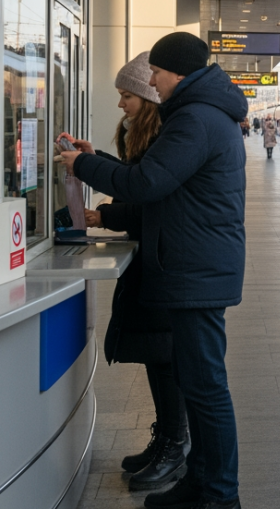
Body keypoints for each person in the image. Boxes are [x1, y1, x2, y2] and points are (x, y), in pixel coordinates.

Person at [59, 32, 247, 509]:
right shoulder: (198, 114)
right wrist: (94, 159)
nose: (154, 82)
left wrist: (82, 166)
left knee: (206, 388)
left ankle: (220, 497)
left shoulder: (195, 119)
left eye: (157, 73)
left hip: (197, 270)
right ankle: (199, 483)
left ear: (177, 73)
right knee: (196, 383)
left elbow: (146, 182)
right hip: (195, 264)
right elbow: (159, 177)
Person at [78, 52, 189, 491]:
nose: (121, 104)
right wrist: (98, 158)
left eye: (128, 95)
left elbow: (149, 199)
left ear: (148, 97)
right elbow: (132, 178)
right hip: (154, 259)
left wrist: (105, 215)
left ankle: (174, 445)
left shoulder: (164, 137)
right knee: (156, 355)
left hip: (167, 261)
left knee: (165, 358)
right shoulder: (142, 136)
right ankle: (166, 439)